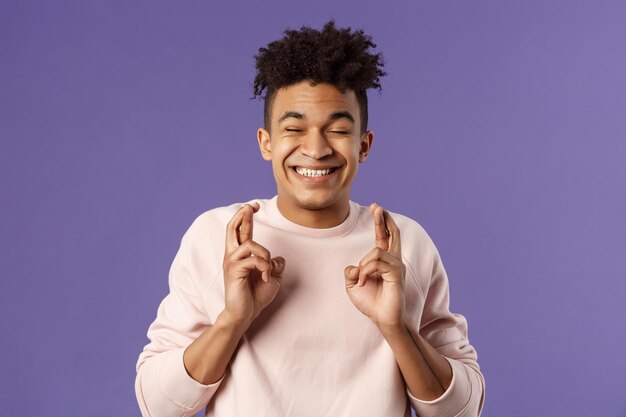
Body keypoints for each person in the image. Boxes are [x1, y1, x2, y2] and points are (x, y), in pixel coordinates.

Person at [135, 20, 485, 417]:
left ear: (364, 145)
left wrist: (397, 327)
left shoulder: (402, 244)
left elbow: (462, 410)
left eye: (337, 130)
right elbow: (158, 405)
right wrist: (233, 320)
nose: (316, 149)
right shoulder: (218, 237)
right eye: (294, 128)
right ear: (266, 143)